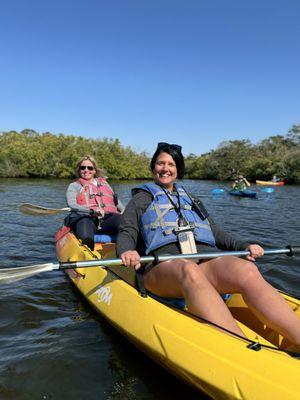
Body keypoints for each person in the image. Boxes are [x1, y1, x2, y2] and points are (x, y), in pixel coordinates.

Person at [116, 142, 300, 351]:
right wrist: (126, 250)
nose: (165, 168)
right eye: (160, 163)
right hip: (162, 268)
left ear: (178, 169)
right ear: (153, 167)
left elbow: (214, 232)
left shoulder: (190, 198)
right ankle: (241, 350)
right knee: (189, 270)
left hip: (202, 260)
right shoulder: (141, 198)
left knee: (247, 269)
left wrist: (244, 245)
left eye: (171, 164)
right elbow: (127, 231)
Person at [65, 155, 124, 250]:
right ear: (79, 170)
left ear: (94, 170)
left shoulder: (104, 183)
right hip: (86, 218)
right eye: (83, 167)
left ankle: (126, 251)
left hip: (107, 219)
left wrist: (124, 210)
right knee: (84, 221)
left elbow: (115, 201)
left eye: (90, 168)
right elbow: (72, 205)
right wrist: (92, 210)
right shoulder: (74, 186)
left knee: (122, 220)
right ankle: (88, 254)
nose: (86, 170)